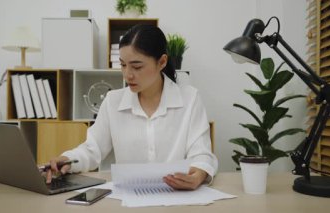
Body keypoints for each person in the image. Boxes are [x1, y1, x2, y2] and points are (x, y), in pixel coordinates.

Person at [46, 24, 218, 190]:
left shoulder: (190, 99)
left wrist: (198, 175)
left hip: (178, 198)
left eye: (137, 66)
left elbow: (201, 153)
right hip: (128, 200)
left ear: (162, 62)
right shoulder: (113, 102)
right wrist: (67, 159)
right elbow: (92, 149)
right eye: (122, 65)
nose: (127, 74)